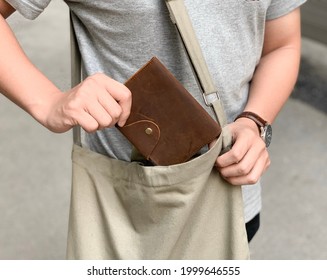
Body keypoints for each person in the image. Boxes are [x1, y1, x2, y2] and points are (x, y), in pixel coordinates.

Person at [0, 0, 306, 247]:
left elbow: (282, 45)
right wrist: (47, 101)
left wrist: (254, 120)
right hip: (126, 210)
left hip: (231, 201)